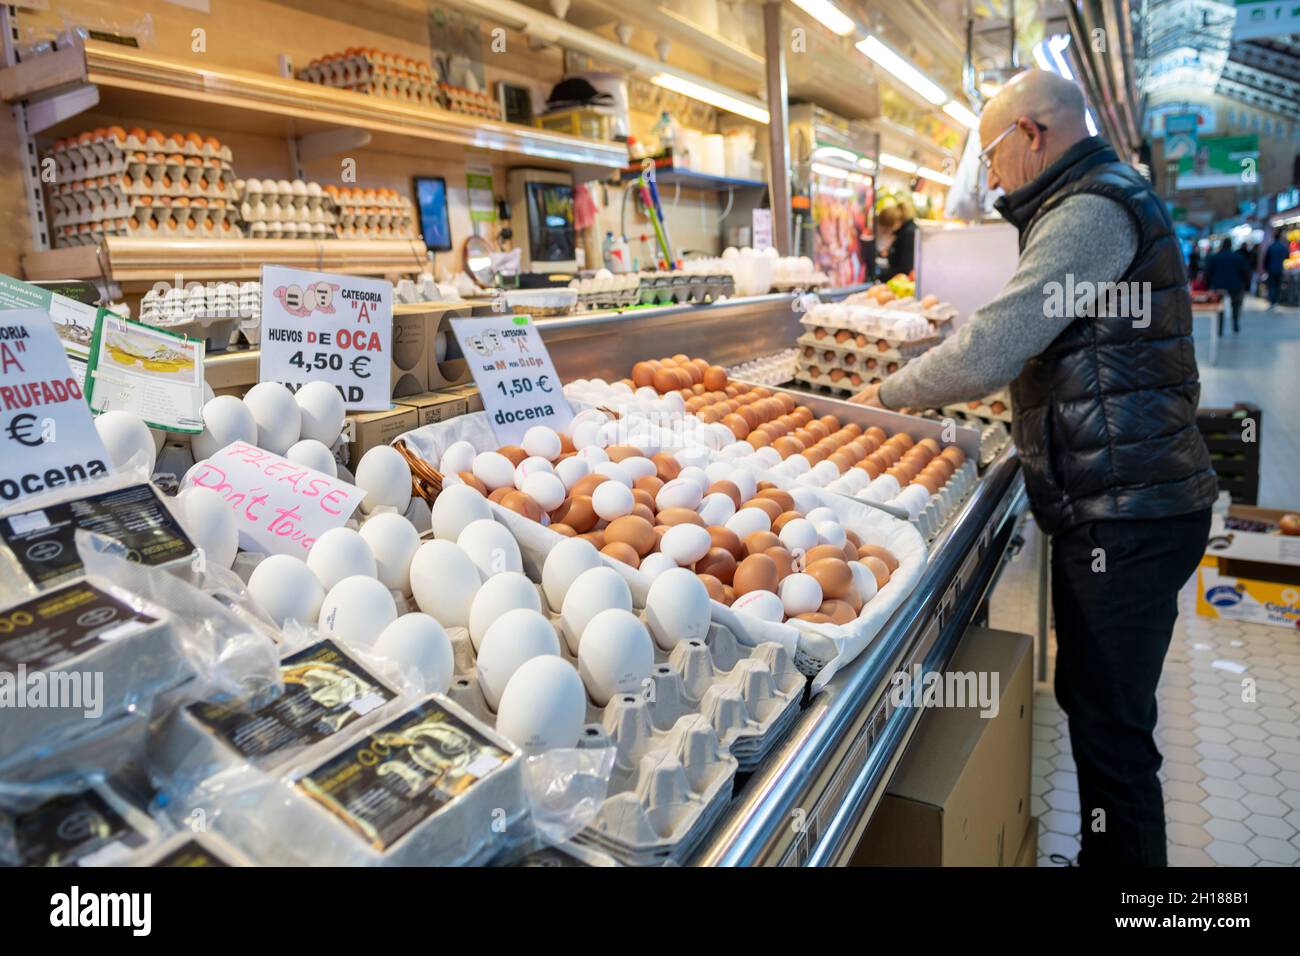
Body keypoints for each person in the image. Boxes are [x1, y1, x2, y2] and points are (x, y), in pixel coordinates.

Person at [850, 69, 1217, 867]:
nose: (990, 177)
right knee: (1098, 709)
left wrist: (883, 394)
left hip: (1129, 514)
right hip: (1127, 501)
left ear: (1034, 135)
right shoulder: (1097, 199)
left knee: (1116, 738)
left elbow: (995, 345)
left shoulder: (1091, 211)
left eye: (992, 155)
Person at [1204, 239, 1249, 334]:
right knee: (1236, 305)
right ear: (1231, 245)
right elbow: (1245, 272)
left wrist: (1208, 286)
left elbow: (1208, 273)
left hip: (1219, 285)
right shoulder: (1237, 257)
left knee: (1220, 306)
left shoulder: (1215, 257)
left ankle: (1220, 328)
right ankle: (1235, 322)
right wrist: (1246, 285)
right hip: (1235, 285)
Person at [876, 199, 916, 278]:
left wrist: (879, 275)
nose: (888, 232)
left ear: (896, 223)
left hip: (902, 281)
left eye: (887, 229)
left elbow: (905, 269)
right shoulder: (904, 232)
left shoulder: (908, 234)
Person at [1264, 227, 1289, 310]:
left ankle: (1272, 301)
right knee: (1278, 285)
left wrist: (1265, 268)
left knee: (1272, 285)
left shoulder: (1271, 247)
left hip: (1271, 269)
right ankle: (1276, 302)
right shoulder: (1283, 247)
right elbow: (1287, 256)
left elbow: (1266, 259)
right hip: (1279, 269)